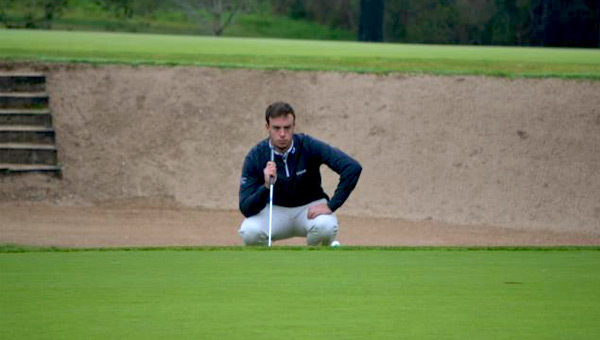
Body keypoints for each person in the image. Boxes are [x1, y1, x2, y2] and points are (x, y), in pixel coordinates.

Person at [238, 101, 362, 246]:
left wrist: (331, 205)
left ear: (294, 126)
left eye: (287, 128)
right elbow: (246, 208)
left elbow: (352, 167)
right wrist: (265, 187)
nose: (282, 134)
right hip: (274, 211)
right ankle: (268, 267)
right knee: (249, 231)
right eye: (276, 128)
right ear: (267, 127)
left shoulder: (308, 145)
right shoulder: (256, 155)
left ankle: (315, 264)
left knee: (326, 227)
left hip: (309, 209)